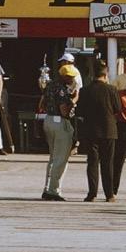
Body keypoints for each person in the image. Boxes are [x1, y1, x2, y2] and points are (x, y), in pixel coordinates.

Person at [76, 66, 120, 202]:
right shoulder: (111, 90)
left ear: (92, 75)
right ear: (106, 75)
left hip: (91, 130)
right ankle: (109, 194)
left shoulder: (85, 91)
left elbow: (80, 111)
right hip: (108, 130)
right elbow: (118, 108)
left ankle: (92, 193)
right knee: (108, 163)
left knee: (92, 162)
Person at [39, 63, 80, 201]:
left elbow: (41, 104)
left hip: (48, 120)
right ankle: (54, 190)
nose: (72, 79)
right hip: (60, 123)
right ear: (64, 76)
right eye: (70, 76)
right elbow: (64, 110)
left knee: (52, 158)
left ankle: (47, 188)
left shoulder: (49, 86)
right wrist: (74, 100)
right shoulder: (62, 90)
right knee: (60, 159)